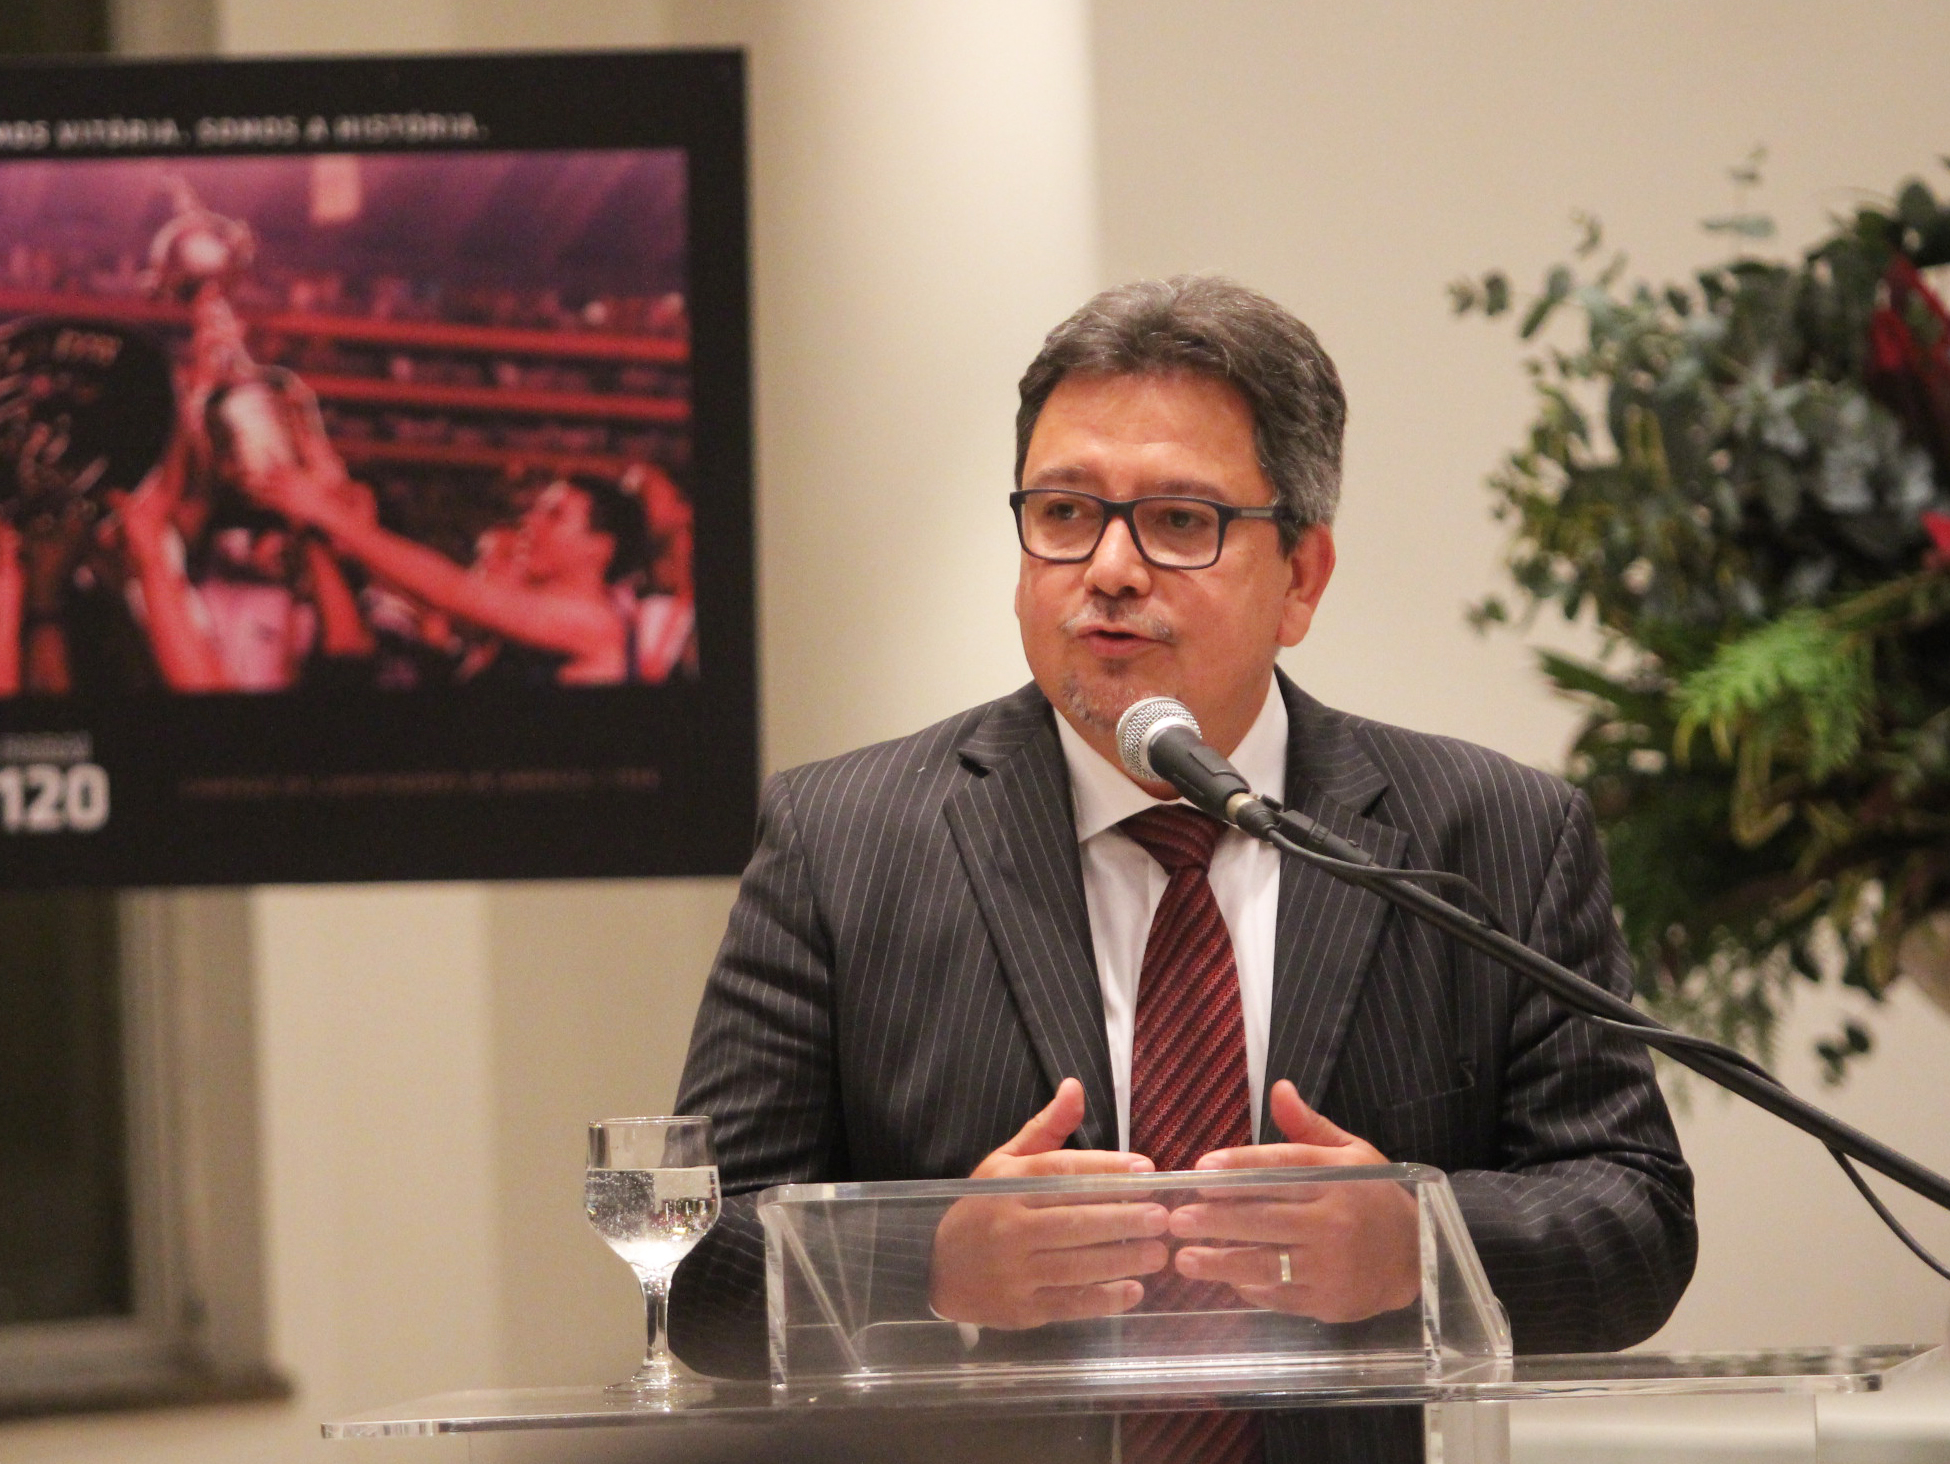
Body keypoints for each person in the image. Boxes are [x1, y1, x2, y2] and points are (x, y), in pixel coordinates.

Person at [670, 277, 1696, 1463]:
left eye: (1178, 521)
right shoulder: (842, 841)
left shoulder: (1492, 838)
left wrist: (1418, 1247)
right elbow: (694, 1261)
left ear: (1302, 577)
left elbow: (1636, 1220)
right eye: (1065, 512)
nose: (1109, 567)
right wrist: (933, 1264)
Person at [246, 464, 662, 687]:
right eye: (536, 510)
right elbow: (429, 597)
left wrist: (331, 515)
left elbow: (451, 590)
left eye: (554, 515)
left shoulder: (594, 622)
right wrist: (356, 534)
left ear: (599, 547)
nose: (530, 522)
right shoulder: (542, 613)